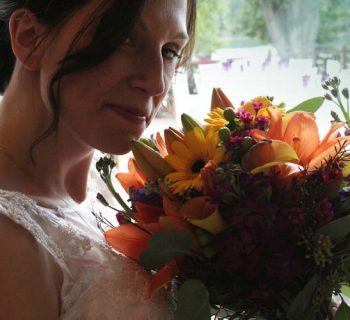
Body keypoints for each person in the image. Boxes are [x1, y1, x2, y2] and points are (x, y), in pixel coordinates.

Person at [0, 0, 196, 319]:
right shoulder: (10, 243)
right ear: (29, 37)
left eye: (170, 51)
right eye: (125, 39)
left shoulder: (111, 187)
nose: (156, 83)